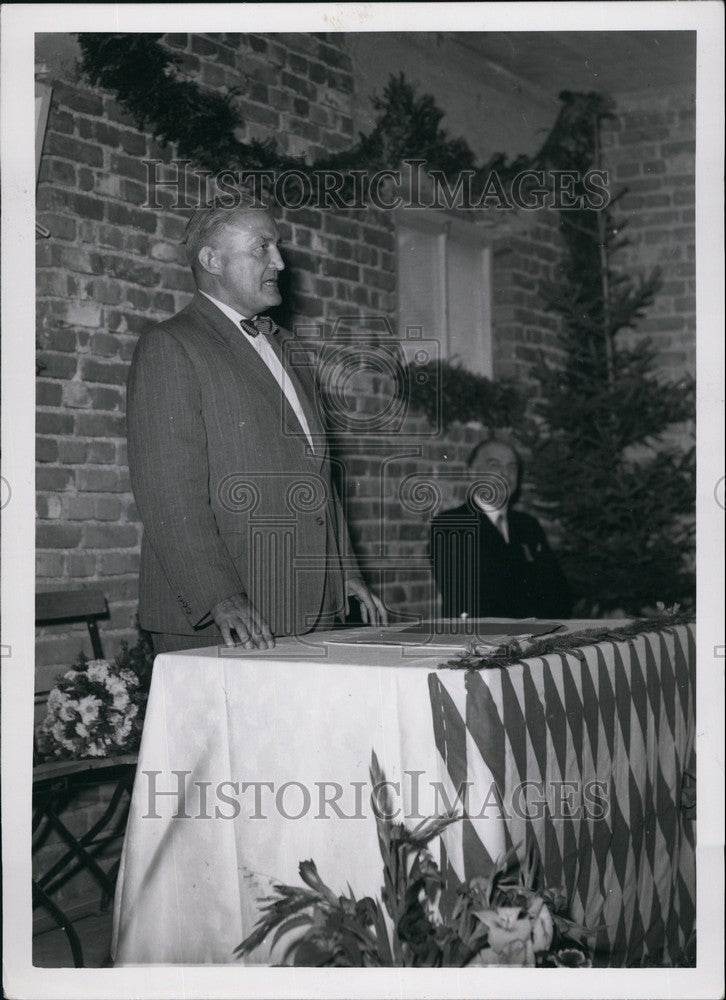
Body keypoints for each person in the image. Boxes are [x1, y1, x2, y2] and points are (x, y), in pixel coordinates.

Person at [126, 201, 387, 655]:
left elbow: (316, 473)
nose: (280, 262)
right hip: (229, 617)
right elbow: (168, 492)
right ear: (212, 261)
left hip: (312, 604)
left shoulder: (287, 347)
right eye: (262, 247)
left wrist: (346, 571)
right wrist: (219, 596)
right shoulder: (170, 346)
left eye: (278, 247)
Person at [430, 435, 571, 619]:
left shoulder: (528, 525)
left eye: (512, 467)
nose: (505, 474)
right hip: (482, 640)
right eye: (495, 465)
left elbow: (558, 592)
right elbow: (466, 599)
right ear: (473, 472)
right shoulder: (452, 524)